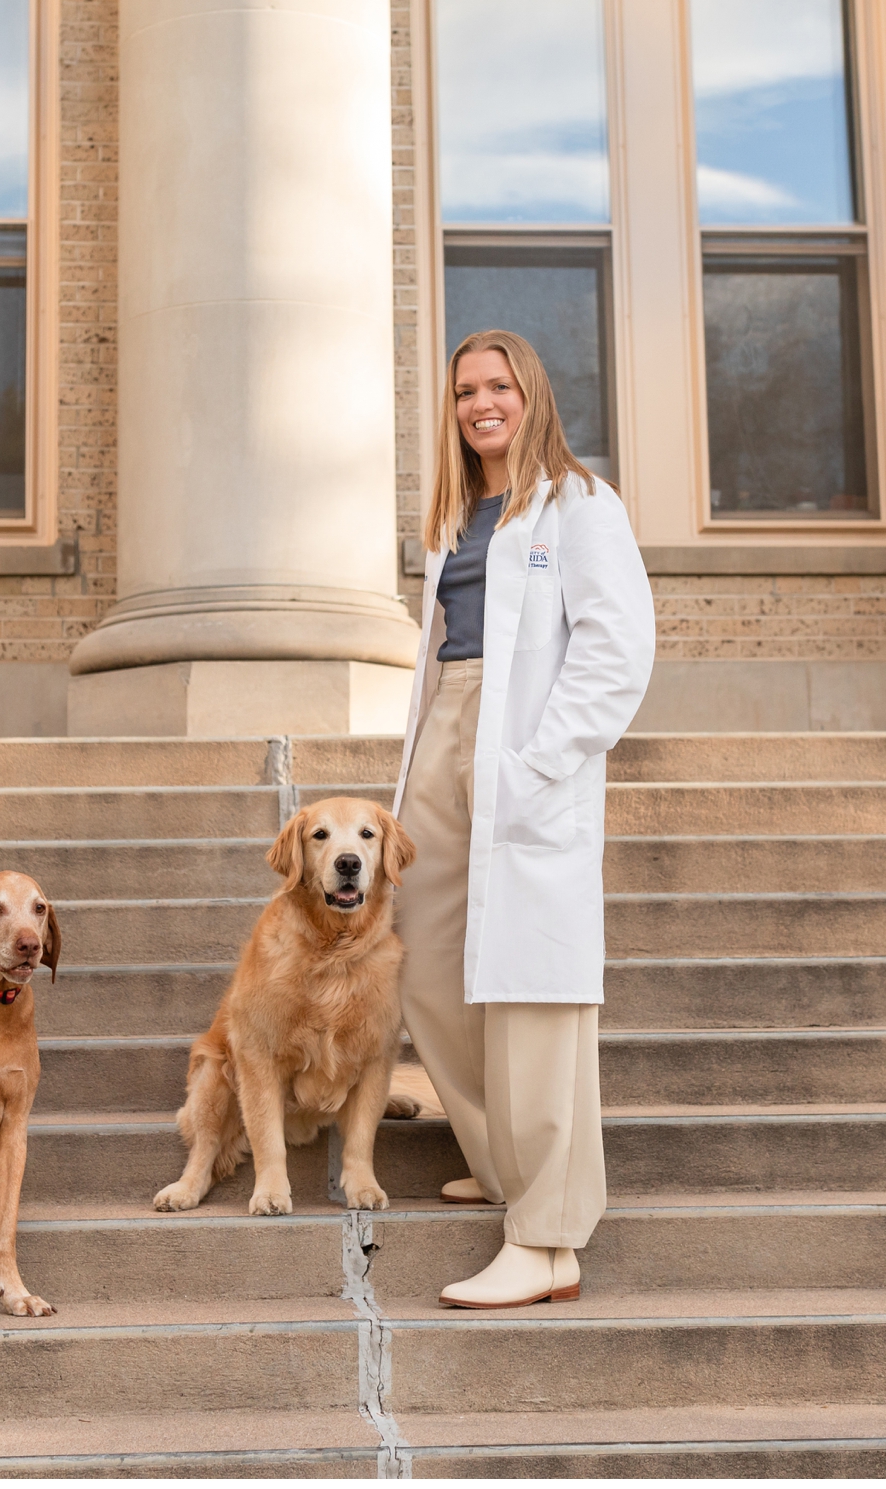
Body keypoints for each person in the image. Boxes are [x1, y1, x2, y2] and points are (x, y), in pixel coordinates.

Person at [392, 328, 654, 1310]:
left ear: (530, 393)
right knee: (419, 953)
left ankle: (546, 1237)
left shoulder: (579, 505)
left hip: (523, 746)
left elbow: (617, 649)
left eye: (497, 385)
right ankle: (504, 1158)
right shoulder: (456, 516)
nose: (480, 403)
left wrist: (540, 758)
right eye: (465, 390)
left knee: (535, 988)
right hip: (443, 736)